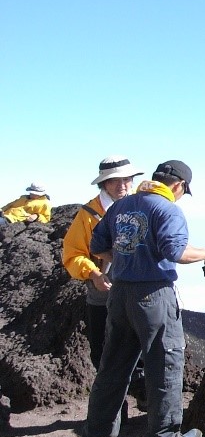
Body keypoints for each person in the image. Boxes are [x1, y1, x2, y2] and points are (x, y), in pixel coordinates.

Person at [80, 160, 205, 437]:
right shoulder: (167, 209)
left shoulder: (122, 206)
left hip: (120, 295)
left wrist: (129, 258)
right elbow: (175, 251)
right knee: (164, 366)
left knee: (113, 368)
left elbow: (98, 245)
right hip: (154, 295)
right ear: (178, 186)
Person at [62, 156, 144, 373]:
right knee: (103, 352)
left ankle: (143, 398)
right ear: (104, 183)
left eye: (127, 179)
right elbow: (73, 254)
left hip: (140, 291)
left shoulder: (142, 205)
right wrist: (94, 274)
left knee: (142, 351)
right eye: (114, 180)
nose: (122, 185)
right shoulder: (88, 215)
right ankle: (114, 406)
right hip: (103, 294)